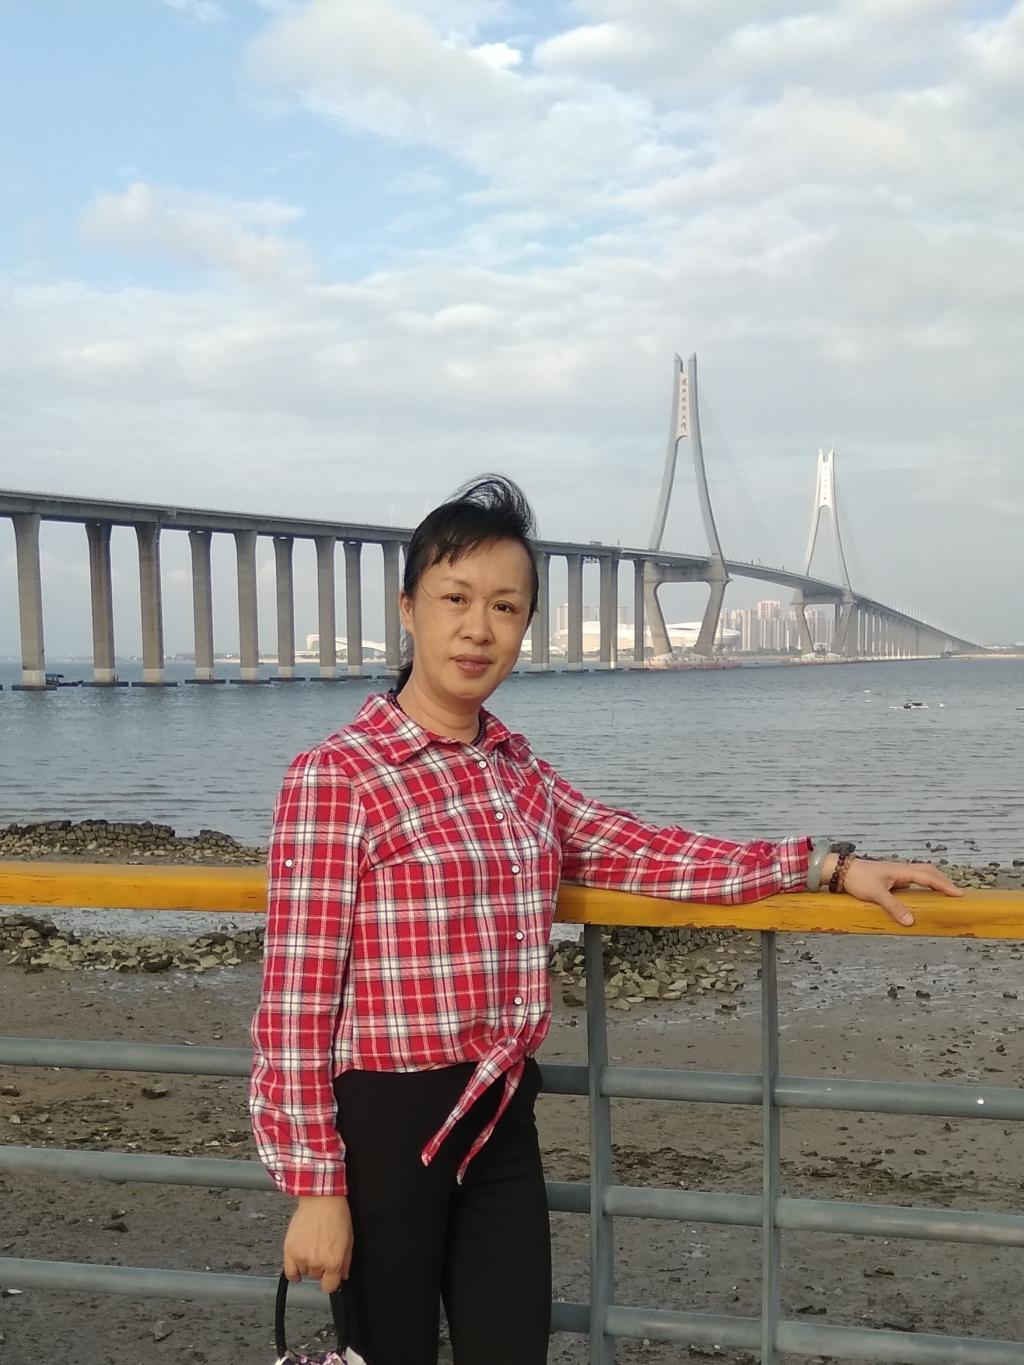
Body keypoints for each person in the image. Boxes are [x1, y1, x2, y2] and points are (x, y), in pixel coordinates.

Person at [249, 475, 961, 1365]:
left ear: (524, 625)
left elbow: (646, 851)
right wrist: (317, 1184)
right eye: (455, 599)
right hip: (386, 1127)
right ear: (408, 608)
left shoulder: (518, 774)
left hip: (498, 1113)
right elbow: (295, 1000)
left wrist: (827, 865)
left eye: (505, 606)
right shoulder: (339, 776)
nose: (478, 628)